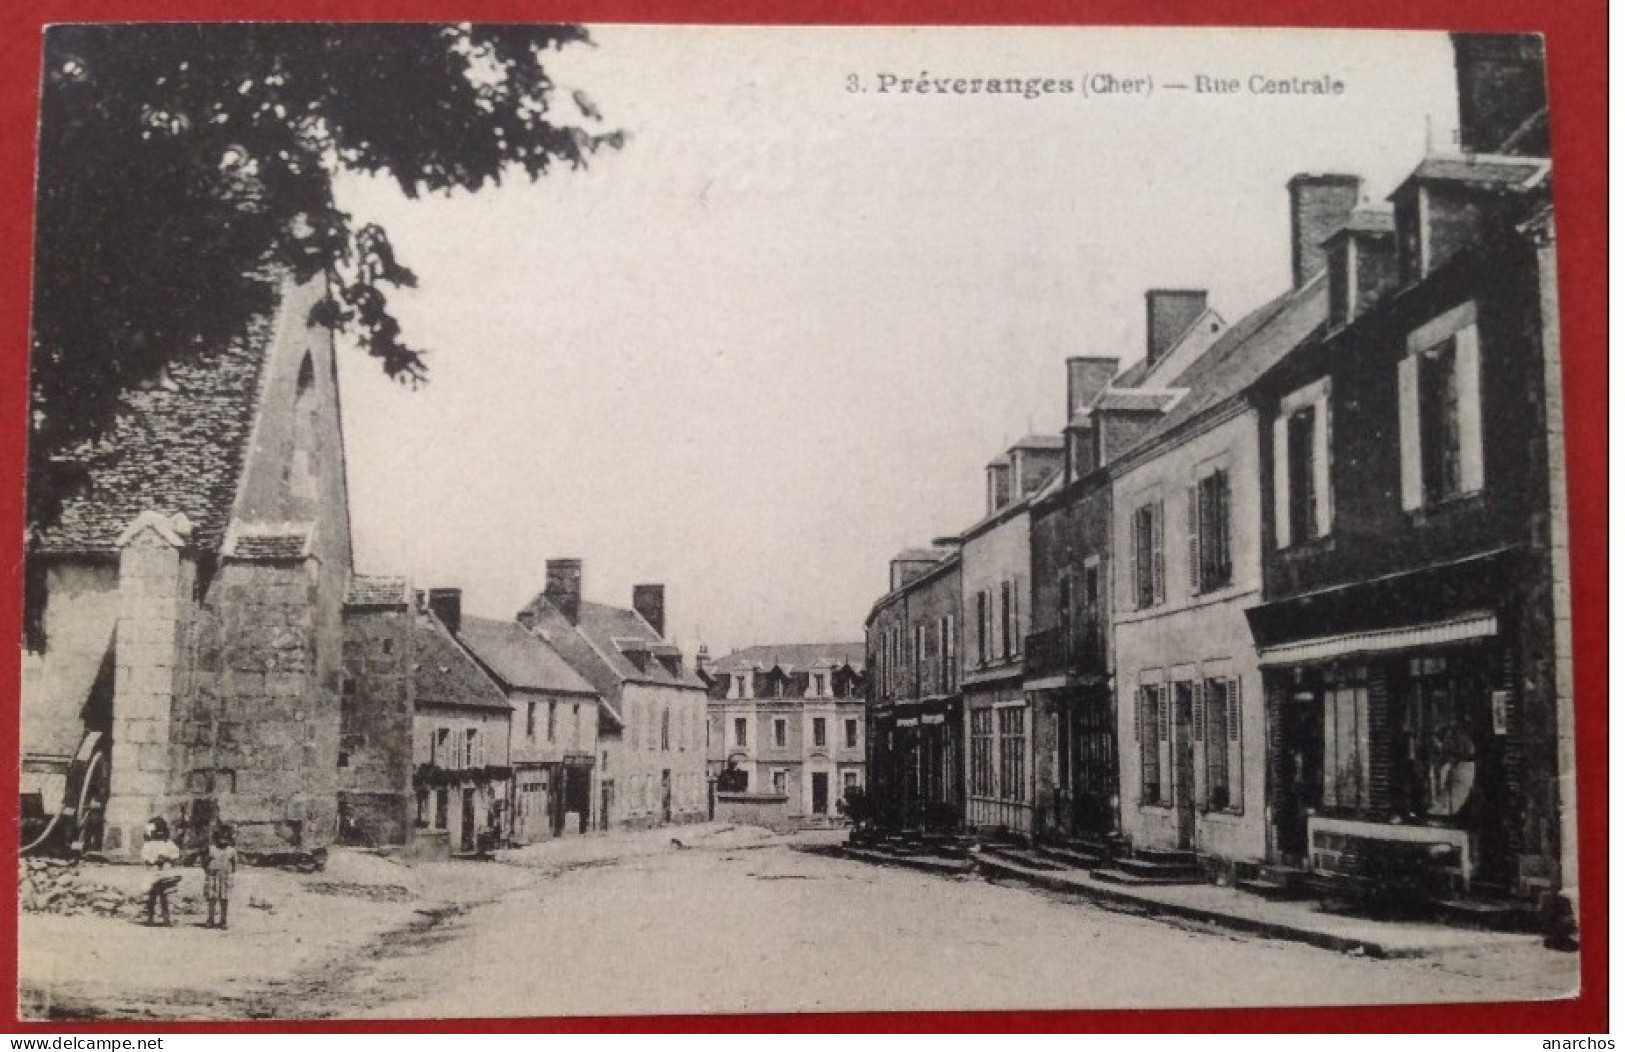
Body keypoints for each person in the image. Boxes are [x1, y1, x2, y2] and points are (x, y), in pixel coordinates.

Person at [140, 817, 182, 926]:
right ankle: (150, 918)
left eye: (161, 832)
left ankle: (166, 918)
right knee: (152, 897)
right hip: (153, 873)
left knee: (165, 897)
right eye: (157, 832)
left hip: (165, 873)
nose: (159, 834)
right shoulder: (149, 844)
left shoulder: (168, 843)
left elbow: (176, 853)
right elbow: (144, 855)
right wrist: (154, 860)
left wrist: (167, 857)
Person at [203, 824, 238, 929]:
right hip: (212, 876)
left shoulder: (232, 851)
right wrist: (209, 871)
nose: (223, 840)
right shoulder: (211, 849)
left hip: (225, 877)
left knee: (224, 899)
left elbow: (234, 864)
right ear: (216, 837)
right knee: (212, 898)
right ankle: (211, 919)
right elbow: (204, 862)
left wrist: (229, 874)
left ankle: (223, 920)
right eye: (221, 837)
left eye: (226, 837)